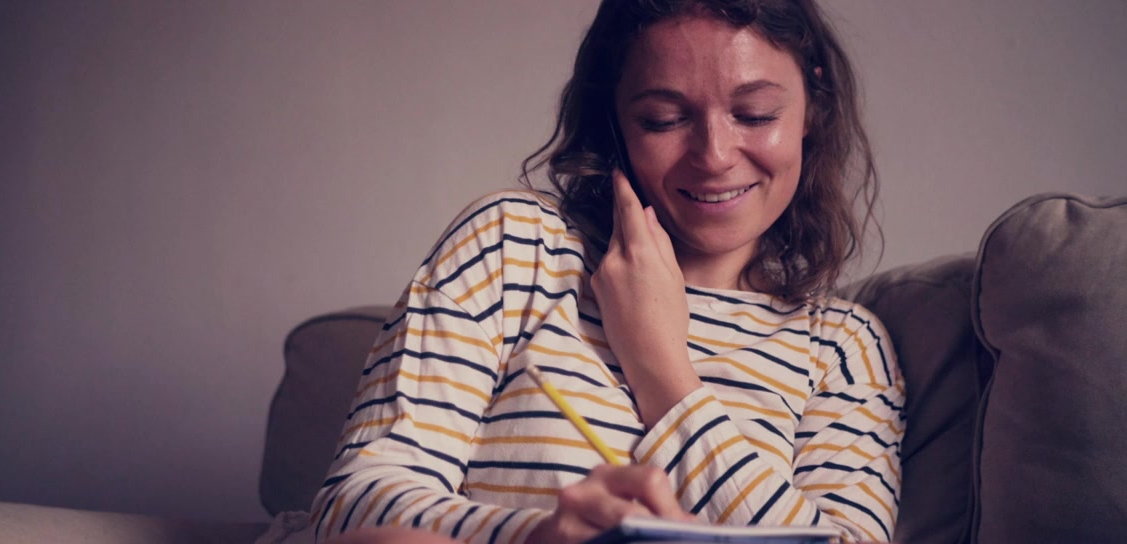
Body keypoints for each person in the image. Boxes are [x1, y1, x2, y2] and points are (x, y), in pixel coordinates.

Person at [309, 1, 903, 543]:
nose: (715, 156)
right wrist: (541, 537)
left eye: (754, 114)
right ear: (614, 121)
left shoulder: (841, 348)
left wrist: (662, 372)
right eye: (663, 119)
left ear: (811, 107)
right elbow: (354, 505)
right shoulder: (516, 247)